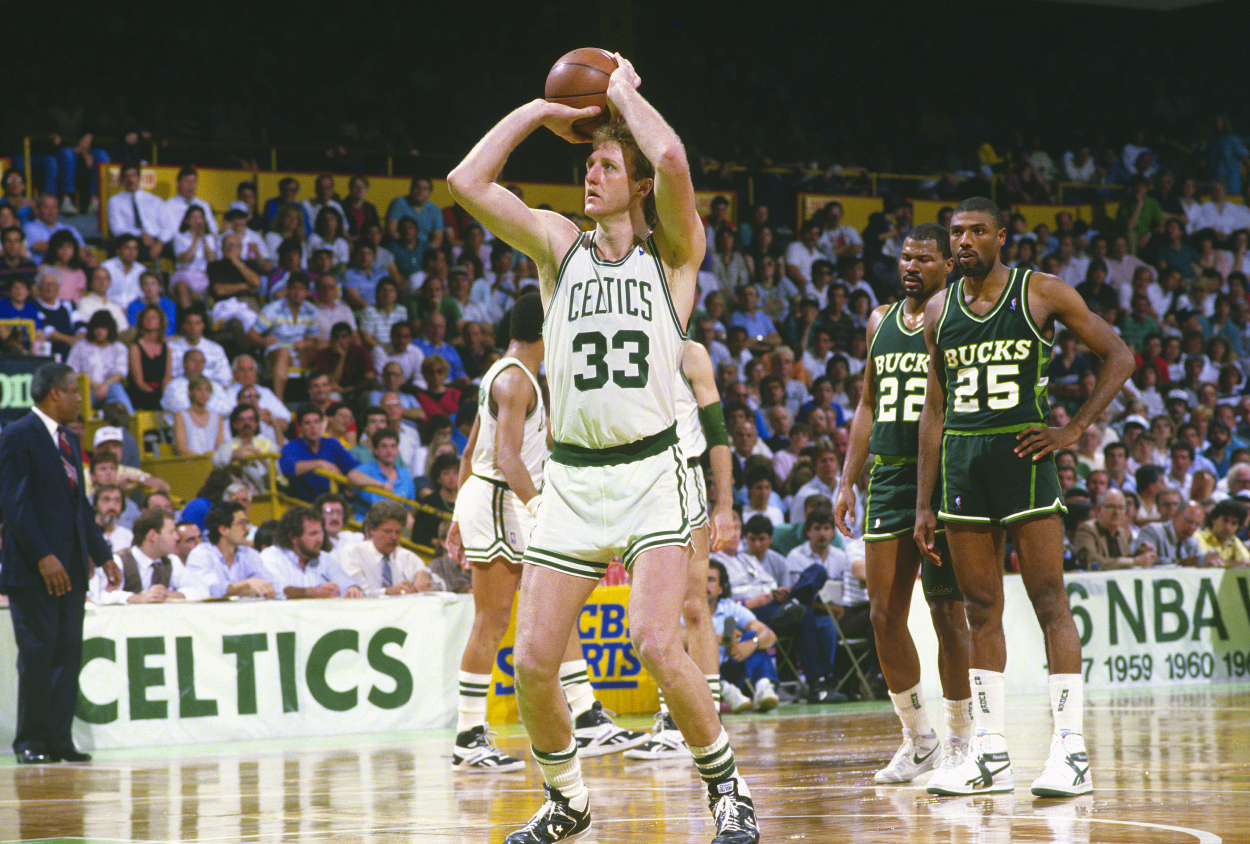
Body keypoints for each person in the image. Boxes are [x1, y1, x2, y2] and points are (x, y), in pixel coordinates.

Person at [446, 52, 757, 843]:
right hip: (574, 483)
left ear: (639, 184)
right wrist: (537, 114)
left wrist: (621, 93)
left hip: (653, 473)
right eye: (587, 163)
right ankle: (568, 803)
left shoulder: (673, 259)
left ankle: (729, 792)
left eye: (608, 165)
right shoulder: (557, 246)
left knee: (658, 640)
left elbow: (677, 157)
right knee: (532, 663)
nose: (591, 175)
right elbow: (467, 183)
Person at [915, 197, 1134, 798]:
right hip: (962, 463)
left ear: (1001, 237)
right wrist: (922, 502)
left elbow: (1120, 354)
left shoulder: (1041, 292)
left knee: (1048, 600)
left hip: (1024, 459)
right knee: (979, 608)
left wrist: (1074, 430)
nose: (964, 241)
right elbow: (933, 410)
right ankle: (989, 753)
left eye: (977, 231)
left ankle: (1071, 750)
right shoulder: (938, 309)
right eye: (957, 232)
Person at [444, 293, 645, 772]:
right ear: (548, 327)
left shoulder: (507, 372)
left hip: (497, 500)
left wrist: (456, 514)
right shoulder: (514, 380)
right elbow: (506, 458)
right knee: (492, 621)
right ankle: (468, 735)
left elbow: (470, 451)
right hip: (501, 501)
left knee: (558, 601)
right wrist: (540, 509)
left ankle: (586, 714)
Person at [834, 223, 974, 784]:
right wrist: (847, 479)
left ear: (947, 265)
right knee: (883, 614)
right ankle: (919, 737)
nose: (911, 266)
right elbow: (867, 403)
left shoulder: (957, 319)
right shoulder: (879, 320)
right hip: (889, 478)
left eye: (923, 258)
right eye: (905, 258)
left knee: (947, 612)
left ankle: (964, 737)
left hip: (941, 476)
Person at [0, 363, 120, 763]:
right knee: (37, 653)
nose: (80, 398)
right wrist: (43, 556)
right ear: (54, 394)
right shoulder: (17, 436)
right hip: (35, 572)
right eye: (74, 391)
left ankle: (58, 738)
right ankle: (30, 741)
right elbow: (14, 506)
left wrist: (103, 555)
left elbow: (78, 506)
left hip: (72, 569)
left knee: (68, 652)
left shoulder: (68, 439)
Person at [707, 559, 780, 712]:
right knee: (688, 651)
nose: (704, 584)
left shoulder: (729, 608)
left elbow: (769, 634)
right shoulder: (682, 609)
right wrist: (717, 640)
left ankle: (763, 688)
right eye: (700, 578)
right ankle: (726, 690)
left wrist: (751, 643)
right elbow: (678, 639)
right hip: (699, 678)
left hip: (729, 670)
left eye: (711, 580)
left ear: (720, 588)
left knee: (754, 635)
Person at [101, 508, 209, 603]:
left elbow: (201, 591)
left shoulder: (171, 561)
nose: (177, 537)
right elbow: (103, 595)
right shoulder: (119, 561)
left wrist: (166, 595)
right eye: (171, 532)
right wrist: (137, 598)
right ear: (153, 535)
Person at [259, 506, 363, 599]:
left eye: (321, 532)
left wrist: (353, 589)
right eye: (313, 534)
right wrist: (313, 592)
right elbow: (279, 590)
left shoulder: (324, 558)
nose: (320, 539)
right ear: (294, 537)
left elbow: (347, 582)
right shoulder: (271, 556)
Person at [340, 500, 437, 596]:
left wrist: (424, 574)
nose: (394, 537)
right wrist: (387, 592)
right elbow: (358, 593)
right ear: (372, 530)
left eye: (398, 532)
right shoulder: (353, 553)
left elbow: (442, 585)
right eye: (388, 531)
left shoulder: (406, 556)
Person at [184, 502, 275, 598]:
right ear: (223, 529)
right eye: (242, 523)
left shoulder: (250, 554)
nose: (248, 528)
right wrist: (246, 584)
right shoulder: (201, 554)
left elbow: (268, 586)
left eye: (247, 523)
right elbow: (209, 590)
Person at [1072, 489, 1157, 570]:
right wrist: (1134, 561)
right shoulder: (1087, 530)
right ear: (1098, 509)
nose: (1117, 512)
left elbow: (1125, 559)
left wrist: (1139, 554)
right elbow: (1092, 562)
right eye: (1111, 507)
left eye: (1120, 507)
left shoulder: (1121, 532)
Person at [352, 428, 417, 521]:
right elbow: (352, 476)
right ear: (375, 450)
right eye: (384, 446)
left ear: (397, 449)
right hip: (365, 524)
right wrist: (381, 485)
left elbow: (410, 507)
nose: (389, 450)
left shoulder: (405, 473)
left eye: (393, 446)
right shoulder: (367, 468)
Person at [1133, 500, 1209, 567]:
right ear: (1176, 515)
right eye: (1189, 521)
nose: (1192, 527)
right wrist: (1180, 563)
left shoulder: (1192, 541)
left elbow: (1200, 557)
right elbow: (1146, 560)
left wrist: (1208, 558)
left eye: (1197, 524)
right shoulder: (1152, 531)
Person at [173, 375, 226, 456]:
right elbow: (182, 449)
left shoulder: (217, 417)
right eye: (199, 389)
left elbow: (220, 447)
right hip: (189, 463)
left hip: (212, 464)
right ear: (190, 392)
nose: (203, 393)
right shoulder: (181, 416)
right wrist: (201, 461)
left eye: (207, 390)